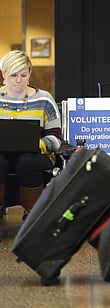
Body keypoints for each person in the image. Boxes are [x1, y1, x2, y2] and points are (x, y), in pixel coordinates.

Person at [0, 50, 62, 222]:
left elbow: (56, 138)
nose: (19, 80)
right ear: (4, 74)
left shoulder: (44, 99)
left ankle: (32, 217)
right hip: (2, 155)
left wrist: (39, 144)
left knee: (28, 160)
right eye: (13, 75)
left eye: (23, 75)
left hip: (35, 154)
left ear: (30, 73)